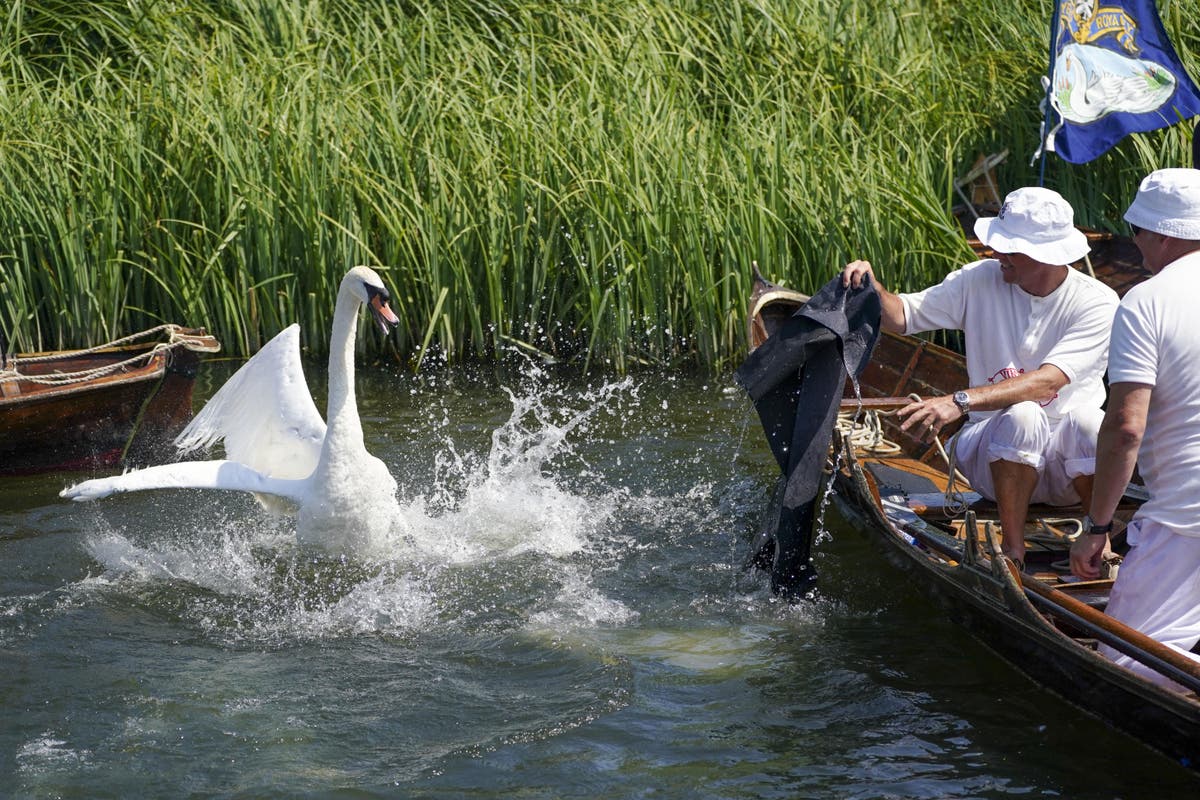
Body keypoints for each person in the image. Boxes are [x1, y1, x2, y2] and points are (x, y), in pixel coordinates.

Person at [843, 187, 1119, 567]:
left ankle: (1096, 540)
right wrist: (874, 291)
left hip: (1067, 472)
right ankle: (1013, 550)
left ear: (1045, 256)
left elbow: (1048, 382)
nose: (995, 254)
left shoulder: (1098, 302)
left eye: (1009, 248)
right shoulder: (978, 279)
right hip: (991, 457)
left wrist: (958, 401)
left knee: (1091, 422)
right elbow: (903, 317)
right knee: (1023, 417)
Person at [1070, 168, 1200, 686]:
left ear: (1164, 234)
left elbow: (1125, 427)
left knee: (1127, 662)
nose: (1135, 241)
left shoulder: (1146, 301)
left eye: (1139, 231)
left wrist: (1097, 530)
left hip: (1187, 518)